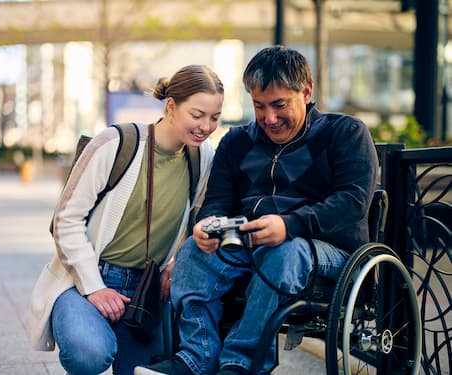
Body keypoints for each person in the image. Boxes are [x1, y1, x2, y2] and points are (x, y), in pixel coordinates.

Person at [134, 45, 378, 375]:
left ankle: (239, 364)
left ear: (306, 92)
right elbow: (218, 201)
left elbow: (352, 203)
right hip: (252, 244)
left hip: (331, 253)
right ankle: (195, 357)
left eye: (279, 105)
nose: (269, 118)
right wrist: (206, 225)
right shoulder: (237, 142)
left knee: (283, 251)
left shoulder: (345, 133)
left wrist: (289, 225)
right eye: (259, 106)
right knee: (193, 253)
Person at [26, 64, 224, 375]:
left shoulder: (203, 157)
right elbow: (66, 219)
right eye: (197, 115)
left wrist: (177, 262)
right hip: (86, 278)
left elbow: (198, 217)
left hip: (146, 289)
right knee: (89, 352)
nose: (206, 126)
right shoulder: (116, 142)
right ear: (171, 106)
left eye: (214, 117)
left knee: (141, 371)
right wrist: (94, 287)